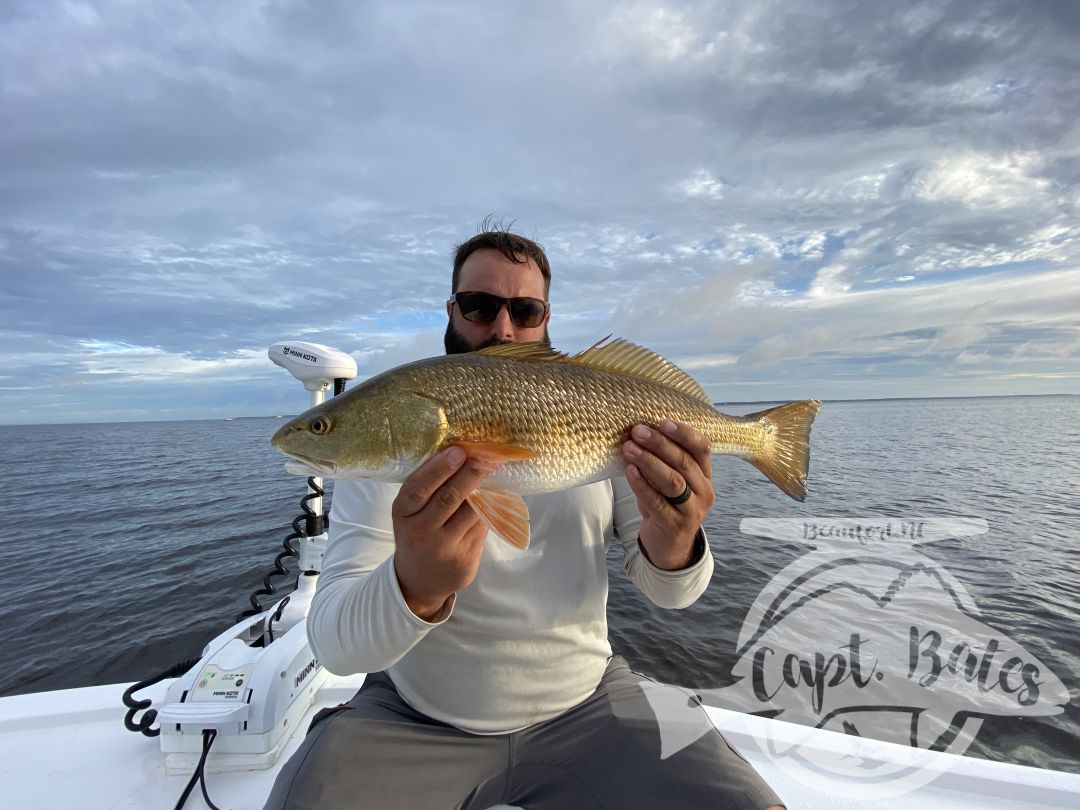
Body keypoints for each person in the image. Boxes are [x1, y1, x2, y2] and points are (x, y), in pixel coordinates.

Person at [263, 227, 785, 810]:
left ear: (545, 318)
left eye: (525, 310)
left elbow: (672, 594)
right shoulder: (379, 469)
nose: (502, 329)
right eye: (479, 306)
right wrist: (416, 583)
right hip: (415, 714)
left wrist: (678, 540)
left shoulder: (614, 424)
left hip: (589, 702)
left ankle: (760, 437)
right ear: (451, 310)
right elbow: (335, 647)